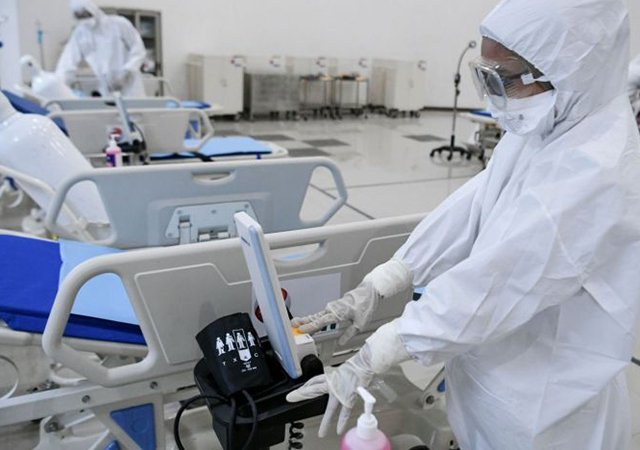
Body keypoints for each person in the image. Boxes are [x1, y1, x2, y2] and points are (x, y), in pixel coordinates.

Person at [287, 0, 640, 448]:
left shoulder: (596, 169)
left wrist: (378, 352)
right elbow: (475, 203)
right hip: (488, 371)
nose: (493, 95)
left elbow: (501, 279)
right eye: (485, 75)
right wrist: (385, 279)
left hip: (546, 409)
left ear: (569, 70)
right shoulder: (550, 124)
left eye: (504, 78)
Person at [55, 0, 146, 97]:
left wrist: (127, 72)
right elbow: (67, 60)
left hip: (130, 84)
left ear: (92, 10)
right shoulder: (80, 34)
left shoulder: (119, 24)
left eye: (86, 15)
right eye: (79, 16)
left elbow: (138, 49)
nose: (84, 19)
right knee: (109, 105)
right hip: (105, 87)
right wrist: (59, 84)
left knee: (133, 105)